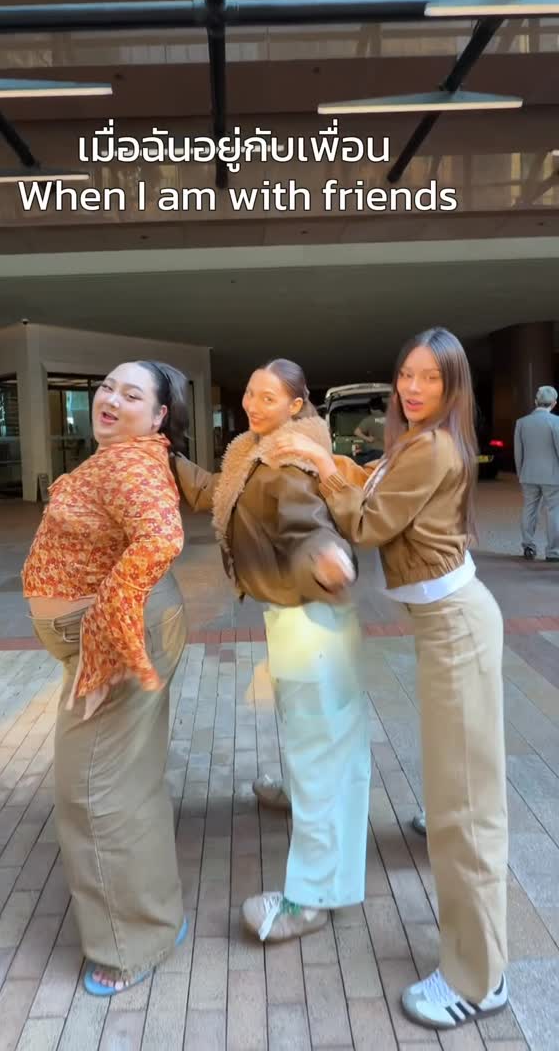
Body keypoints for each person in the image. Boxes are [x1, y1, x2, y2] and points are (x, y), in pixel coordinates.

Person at [272, 328, 508, 1032]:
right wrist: (339, 466)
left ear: (453, 385)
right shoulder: (416, 442)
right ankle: (478, 961)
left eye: (430, 378)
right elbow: (373, 486)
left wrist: (319, 466)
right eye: (407, 373)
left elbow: (368, 524)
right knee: (455, 795)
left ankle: (479, 980)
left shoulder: (431, 446)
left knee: (466, 812)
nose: (413, 388)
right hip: (447, 628)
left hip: (457, 628)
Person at [174, 359, 370, 944]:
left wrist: (327, 559)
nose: (253, 405)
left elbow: (307, 526)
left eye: (268, 397)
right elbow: (217, 494)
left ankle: (312, 897)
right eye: (251, 394)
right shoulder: (253, 453)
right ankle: (295, 793)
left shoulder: (288, 462)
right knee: (315, 740)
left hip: (312, 618)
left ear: (295, 405)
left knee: (321, 754)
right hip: (296, 617)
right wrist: (166, 456)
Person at [22, 360, 190, 997]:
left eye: (132, 394)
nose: (111, 399)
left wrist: (100, 637)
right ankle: (154, 920)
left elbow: (161, 537)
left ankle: (132, 945)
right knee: (127, 781)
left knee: (92, 793)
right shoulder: (128, 457)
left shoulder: (131, 464)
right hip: (132, 626)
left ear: (158, 415)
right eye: (108, 387)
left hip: (120, 637)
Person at [514, 384, 559, 562]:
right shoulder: (556, 422)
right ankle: (553, 552)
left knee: (529, 509)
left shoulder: (521, 422)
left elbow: (518, 452)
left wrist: (521, 473)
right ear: (554, 403)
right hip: (553, 476)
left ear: (535, 402)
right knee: (554, 511)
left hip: (528, 474)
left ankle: (528, 546)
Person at [354, 395, 387, 462]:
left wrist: (368, 439)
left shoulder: (369, 420)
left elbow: (356, 432)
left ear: (371, 408)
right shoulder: (391, 418)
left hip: (375, 453)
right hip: (390, 452)